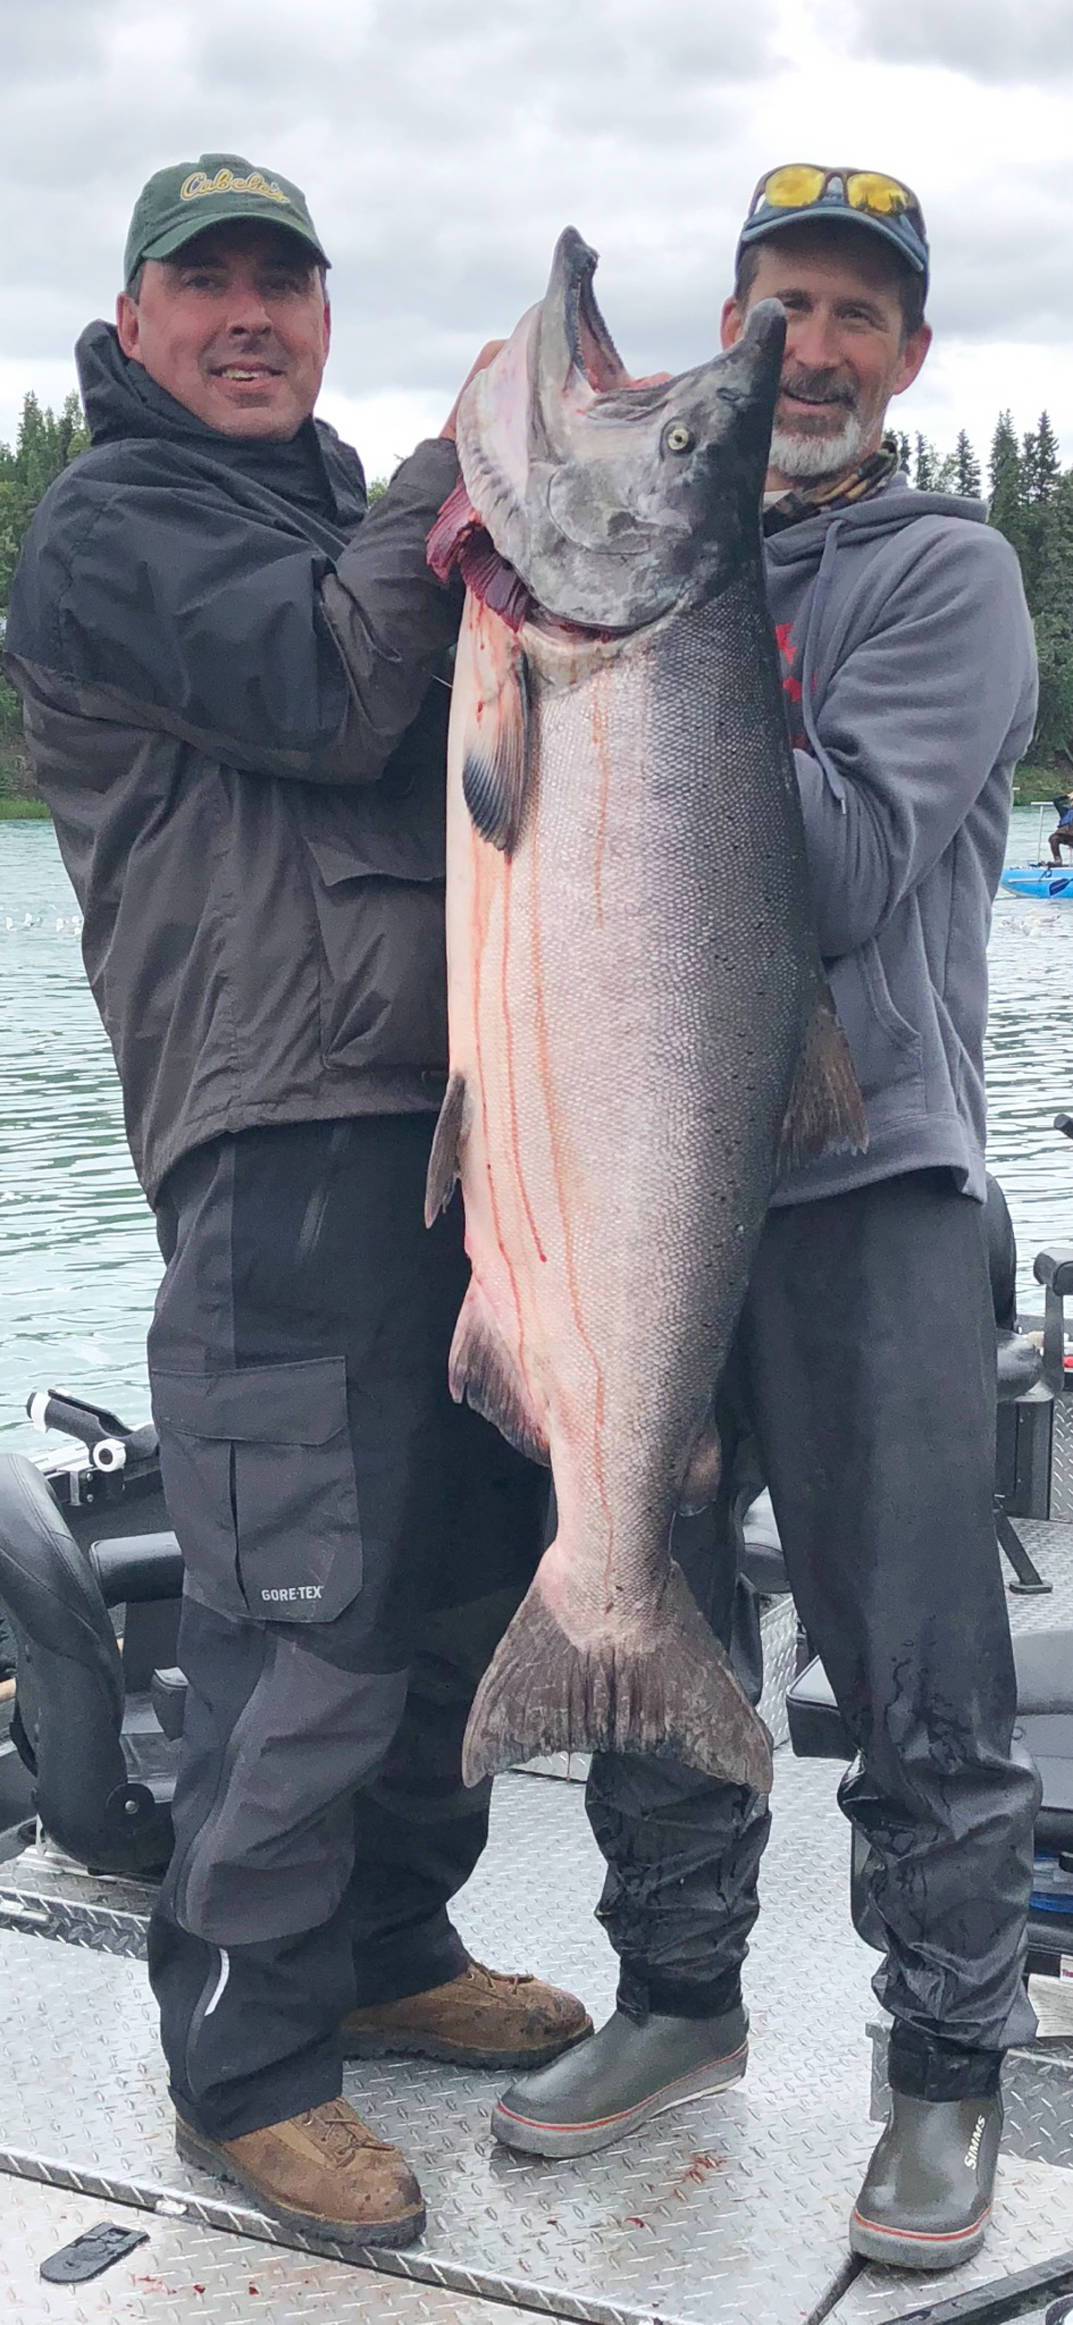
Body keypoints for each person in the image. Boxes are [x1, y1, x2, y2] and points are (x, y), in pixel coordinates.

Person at [3, 153, 590, 2253]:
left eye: (284, 283)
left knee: (453, 1578)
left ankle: (389, 1940)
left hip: (463, 1140)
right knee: (301, 1611)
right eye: (207, 284)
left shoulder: (339, 515)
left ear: (321, 314)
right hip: (278, 1144)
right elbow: (333, 685)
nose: (249, 316)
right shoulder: (117, 524)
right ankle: (245, 2069)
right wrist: (453, 464)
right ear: (140, 318)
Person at [490, 165, 1042, 2275]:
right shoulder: (619, 576)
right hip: (629, 1174)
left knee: (915, 1657)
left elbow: (820, 869)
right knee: (641, 1587)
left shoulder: (949, 578)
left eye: (850, 319)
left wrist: (662, 638)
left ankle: (940, 2068)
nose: (806, 352)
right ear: (730, 329)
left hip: (866, 1187)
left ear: (906, 357)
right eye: (776, 310)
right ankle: (676, 1991)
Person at [1047, 791, 1073, 862]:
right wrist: (1067, 796)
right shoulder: (1065, 811)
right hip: (1065, 835)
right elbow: (1055, 800)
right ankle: (1058, 860)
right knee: (1053, 838)